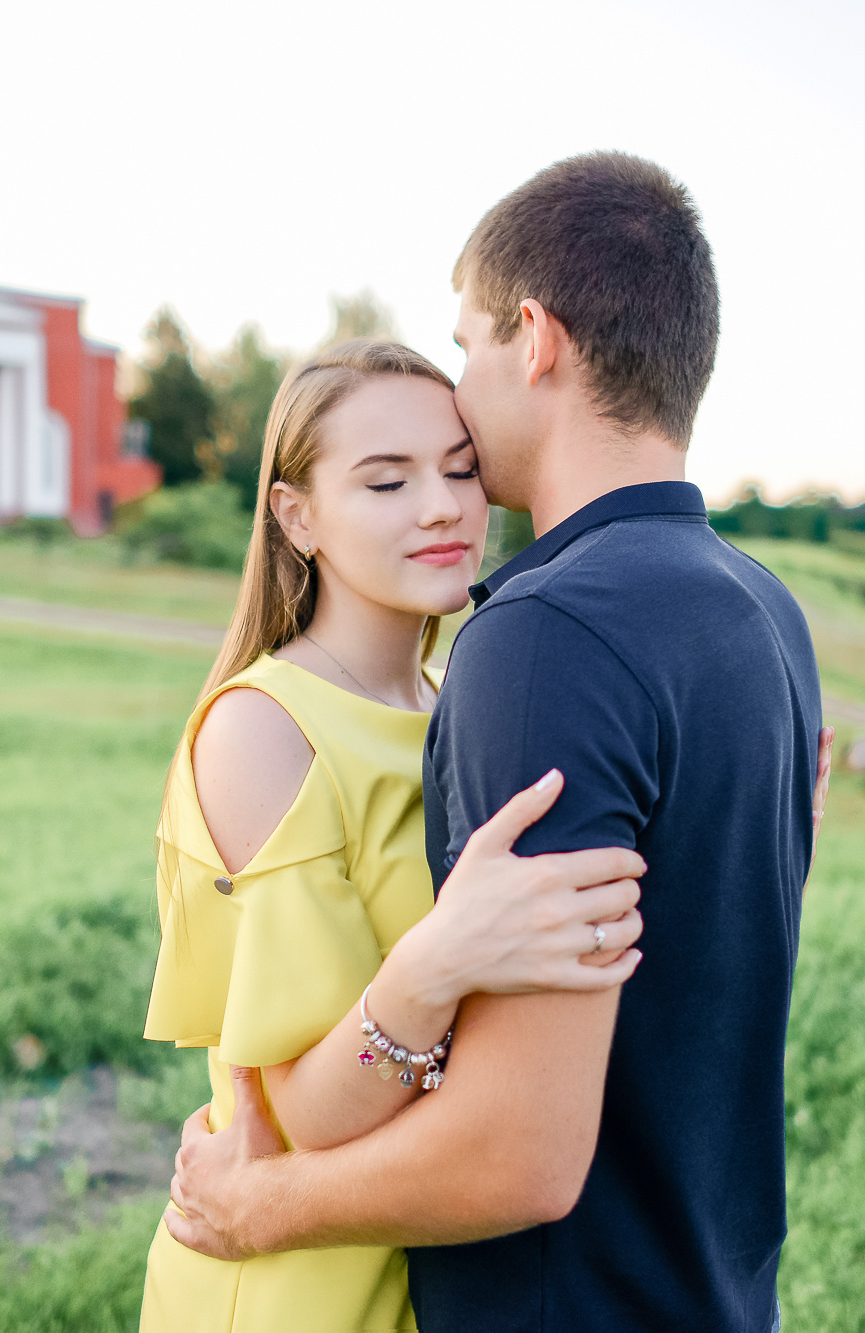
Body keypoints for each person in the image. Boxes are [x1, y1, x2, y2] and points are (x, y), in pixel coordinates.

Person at [164, 153, 829, 1332]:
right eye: (386, 479)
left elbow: (517, 1154)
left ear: (533, 339)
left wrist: (250, 1207)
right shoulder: (762, 612)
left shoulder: (540, 637)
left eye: (465, 344)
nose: (459, 395)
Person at [139, 339, 653, 1332]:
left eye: (460, 471)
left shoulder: (460, 702)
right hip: (293, 1283)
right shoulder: (262, 729)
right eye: (387, 481)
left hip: (437, 1257)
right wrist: (439, 958)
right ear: (296, 516)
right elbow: (301, 1118)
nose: (443, 507)